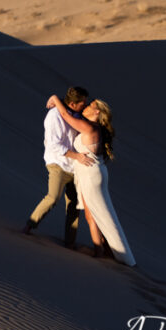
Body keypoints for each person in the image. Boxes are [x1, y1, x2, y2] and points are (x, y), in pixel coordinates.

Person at [47, 94, 136, 267]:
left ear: (96, 111)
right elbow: (72, 117)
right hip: (91, 174)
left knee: (98, 214)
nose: (86, 106)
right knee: (95, 213)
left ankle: (107, 252)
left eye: (90, 105)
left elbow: (65, 115)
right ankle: (105, 249)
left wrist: (56, 99)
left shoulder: (90, 128)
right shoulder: (94, 126)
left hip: (91, 175)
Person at [22, 86, 87, 246]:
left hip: (75, 168)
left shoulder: (77, 116)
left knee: (74, 205)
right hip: (58, 164)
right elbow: (54, 145)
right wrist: (77, 156)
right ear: (72, 104)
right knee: (52, 197)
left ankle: (70, 242)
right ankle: (29, 226)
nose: (84, 106)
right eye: (82, 103)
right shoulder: (54, 116)